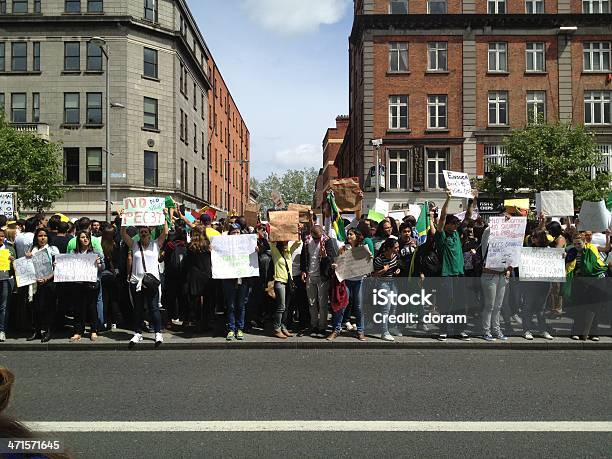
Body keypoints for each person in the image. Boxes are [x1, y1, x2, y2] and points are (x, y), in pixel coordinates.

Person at [121, 211, 169, 346]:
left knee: (154, 308)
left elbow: (165, 233)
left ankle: (158, 333)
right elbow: (123, 234)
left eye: (146, 232)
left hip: (151, 282)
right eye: (141, 232)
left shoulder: (156, 245)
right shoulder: (134, 245)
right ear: (139, 234)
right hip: (136, 282)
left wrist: (164, 216)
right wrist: (124, 219)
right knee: (138, 309)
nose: (143, 234)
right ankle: (137, 333)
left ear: (149, 233)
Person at [565, 233, 607, 341]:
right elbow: (569, 264)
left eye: (579, 243)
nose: (577, 245)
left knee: (594, 308)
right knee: (580, 308)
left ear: (585, 242)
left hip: (596, 281)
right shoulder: (572, 251)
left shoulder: (592, 248)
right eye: (574, 244)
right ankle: (577, 332)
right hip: (581, 282)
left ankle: (594, 333)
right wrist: (565, 257)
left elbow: (590, 267)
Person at [330, 228, 368, 341]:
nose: (349, 236)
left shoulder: (363, 249)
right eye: (348, 234)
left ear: (357, 236)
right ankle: (336, 330)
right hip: (346, 281)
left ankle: (360, 331)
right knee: (341, 306)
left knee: (359, 307)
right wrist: (335, 265)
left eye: (351, 234)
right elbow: (339, 263)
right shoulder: (343, 248)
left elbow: (367, 264)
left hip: (358, 281)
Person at [69, 230, 104, 342]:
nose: (85, 239)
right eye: (82, 237)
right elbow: (68, 266)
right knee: (78, 308)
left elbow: (103, 267)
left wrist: (98, 264)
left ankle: (94, 330)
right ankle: (78, 331)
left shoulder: (95, 253)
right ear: (78, 239)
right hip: (78, 283)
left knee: (92, 307)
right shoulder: (73, 253)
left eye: (87, 237)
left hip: (91, 283)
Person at [26, 228, 59, 343]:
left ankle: (48, 331)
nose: (42, 238)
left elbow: (58, 268)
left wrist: (47, 278)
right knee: (36, 308)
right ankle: (37, 331)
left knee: (48, 307)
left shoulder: (52, 250)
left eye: (45, 235)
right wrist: (27, 257)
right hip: (35, 283)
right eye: (40, 236)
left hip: (49, 283)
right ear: (36, 237)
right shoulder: (32, 249)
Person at [301, 225, 334, 338]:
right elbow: (303, 257)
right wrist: (303, 271)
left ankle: (322, 326)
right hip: (310, 275)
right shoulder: (307, 241)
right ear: (311, 234)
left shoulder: (327, 241)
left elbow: (332, 259)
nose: (317, 240)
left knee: (323, 304)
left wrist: (325, 256)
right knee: (312, 302)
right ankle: (314, 325)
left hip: (322, 276)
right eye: (315, 238)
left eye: (319, 238)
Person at [521, 229, 554, 340]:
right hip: (530, 283)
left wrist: (561, 256)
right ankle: (526, 330)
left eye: (535, 236)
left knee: (541, 308)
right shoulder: (528, 249)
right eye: (532, 237)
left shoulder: (549, 250)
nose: (533, 238)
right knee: (528, 307)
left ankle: (542, 330)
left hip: (544, 283)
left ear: (541, 238)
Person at [222, 224, 250, 340]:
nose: (236, 234)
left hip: (242, 279)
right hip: (229, 279)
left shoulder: (245, 246)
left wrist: (257, 249)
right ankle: (231, 329)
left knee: (240, 305)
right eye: (233, 232)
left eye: (238, 232)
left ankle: (239, 329)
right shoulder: (225, 246)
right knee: (231, 305)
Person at [270, 239, 302, 339]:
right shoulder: (275, 253)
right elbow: (271, 242)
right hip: (280, 282)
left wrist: (297, 231)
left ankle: (283, 327)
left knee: (286, 308)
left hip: (288, 283)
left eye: (287, 243)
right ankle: (276, 328)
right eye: (284, 243)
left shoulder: (288, 252)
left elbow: (298, 243)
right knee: (281, 307)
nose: (286, 244)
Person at [183, 225, 212, 332]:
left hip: (194, 275)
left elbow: (187, 263)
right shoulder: (208, 245)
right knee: (208, 300)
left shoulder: (190, 246)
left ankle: (196, 321)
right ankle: (206, 322)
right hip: (207, 274)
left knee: (195, 300)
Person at [373, 237, 401, 341]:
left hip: (393, 283)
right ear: (389, 248)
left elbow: (395, 266)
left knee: (394, 306)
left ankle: (392, 327)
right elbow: (373, 274)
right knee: (386, 308)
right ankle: (384, 332)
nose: (397, 249)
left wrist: (396, 270)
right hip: (382, 284)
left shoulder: (395, 256)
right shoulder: (379, 259)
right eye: (395, 248)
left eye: (398, 247)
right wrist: (383, 270)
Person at [101, 226, 122, 331]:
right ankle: (114, 321)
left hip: (102, 274)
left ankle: (104, 320)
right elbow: (118, 260)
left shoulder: (100, 244)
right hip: (113, 274)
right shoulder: (115, 244)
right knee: (114, 299)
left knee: (103, 299)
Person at [0, 228, 16, 343]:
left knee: (4, 306)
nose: (0, 238)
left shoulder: (9, 248)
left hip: (6, 279)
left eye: (1, 236)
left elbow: (16, 265)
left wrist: (12, 260)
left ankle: (2, 330)